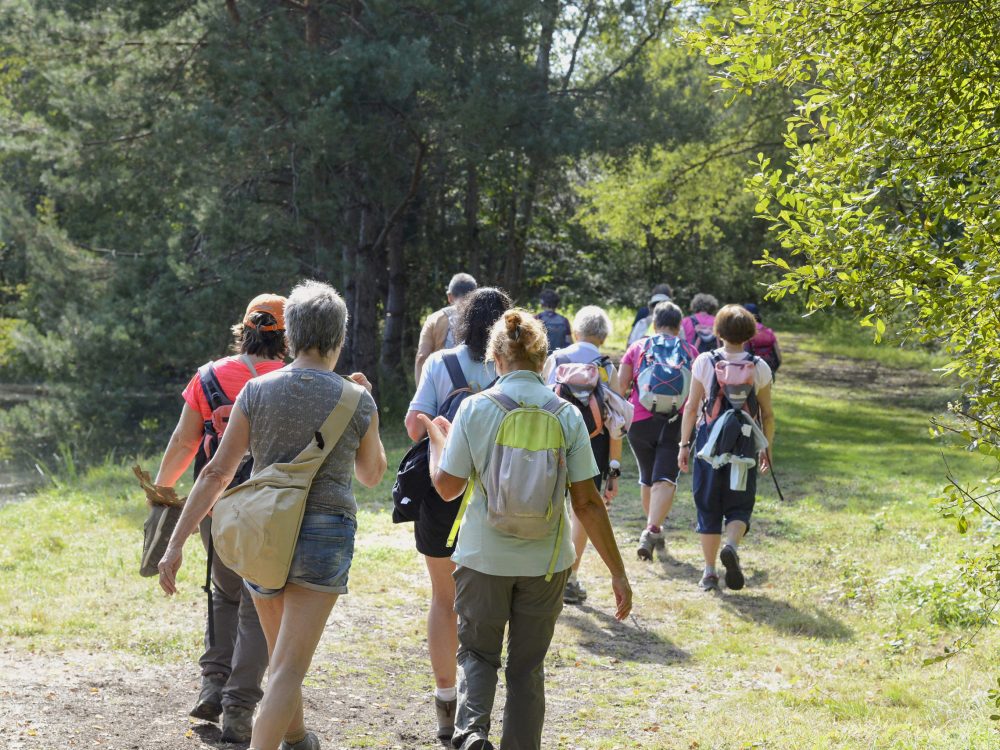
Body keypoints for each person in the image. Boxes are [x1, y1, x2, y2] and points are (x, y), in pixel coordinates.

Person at [158, 280, 387, 750]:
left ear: (293, 335)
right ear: (339, 338)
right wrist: (373, 413)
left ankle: (299, 738)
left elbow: (216, 472)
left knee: (284, 656)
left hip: (263, 532)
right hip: (324, 535)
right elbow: (371, 475)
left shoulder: (257, 391)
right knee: (286, 667)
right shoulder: (356, 399)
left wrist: (176, 542)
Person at [420, 309, 632, 750]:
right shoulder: (568, 415)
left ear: (496, 357)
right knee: (526, 669)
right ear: (544, 360)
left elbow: (446, 488)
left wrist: (438, 444)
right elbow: (588, 503)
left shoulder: (475, 409)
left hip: (482, 558)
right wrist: (617, 572)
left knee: (477, 656)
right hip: (546, 563)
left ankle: (472, 734)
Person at [152, 293, 287, 742]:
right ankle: (237, 708)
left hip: (217, 503)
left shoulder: (209, 376)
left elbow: (183, 442)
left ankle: (213, 683)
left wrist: (163, 492)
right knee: (257, 605)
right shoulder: (296, 379)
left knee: (223, 592)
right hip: (275, 510)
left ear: (244, 329)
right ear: (289, 335)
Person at [404, 287, 511, 744]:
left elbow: (413, 425)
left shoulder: (440, 364)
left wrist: (439, 428)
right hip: (498, 494)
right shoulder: (515, 368)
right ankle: (478, 707)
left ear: (462, 322)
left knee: (443, 597)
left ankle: (446, 701)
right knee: (489, 602)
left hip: (443, 493)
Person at [678, 304, 775, 592]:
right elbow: (767, 414)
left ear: (718, 331)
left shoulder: (705, 362)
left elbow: (692, 407)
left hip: (710, 441)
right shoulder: (760, 367)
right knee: (740, 504)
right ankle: (731, 545)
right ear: (749, 333)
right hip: (744, 441)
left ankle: (709, 572)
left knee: (708, 505)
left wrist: (684, 445)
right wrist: (766, 449)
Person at [542, 305, 621, 605]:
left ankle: (547, 572)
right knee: (584, 508)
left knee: (551, 505)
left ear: (575, 331)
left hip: (554, 441)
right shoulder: (606, 366)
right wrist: (614, 467)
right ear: (603, 336)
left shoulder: (556, 358)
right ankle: (570, 576)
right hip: (594, 445)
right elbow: (615, 421)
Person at [618, 301, 698, 560]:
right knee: (665, 478)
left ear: (654, 324)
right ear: (679, 326)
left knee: (647, 476)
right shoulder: (691, 351)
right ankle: (652, 529)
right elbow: (698, 394)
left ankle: (653, 528)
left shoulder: (638, 347)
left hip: (640, 420)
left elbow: (621, 388)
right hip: (677, 420)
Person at [415, 272, 478, 384]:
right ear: (475, 296)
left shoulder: (434, 319)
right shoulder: (482, 318)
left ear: (449, 297)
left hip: (442, 383)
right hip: (475, 385)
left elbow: (421, 357)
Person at [743, 303, 782, 377]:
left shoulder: (746, 333)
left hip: (752, 373)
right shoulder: (768, 331)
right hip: (768, 371)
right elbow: (779, 357)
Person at [535, 288, 572, 354]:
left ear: (542, 303)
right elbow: (569, 343)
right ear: (557, 304)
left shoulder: (537, 318)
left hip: (541, 360)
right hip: (560, 360)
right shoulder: (564, 321)